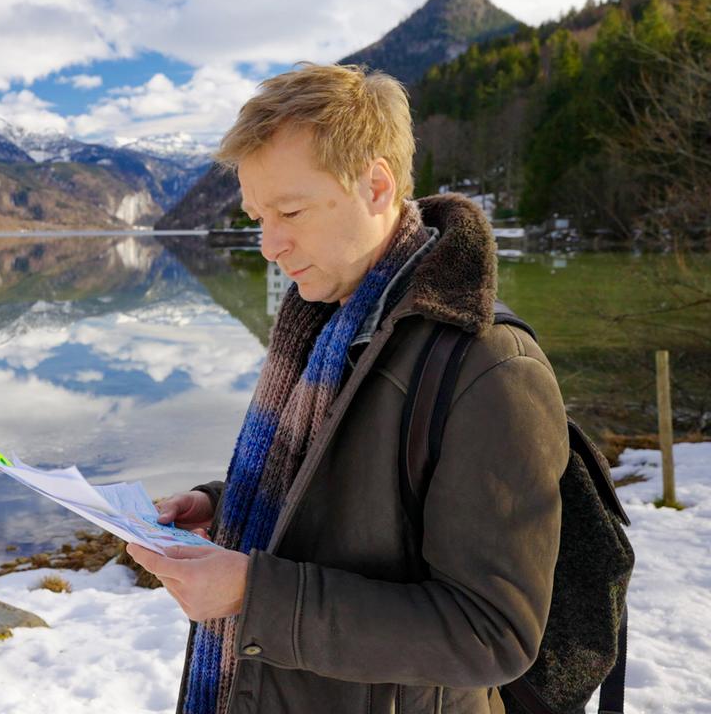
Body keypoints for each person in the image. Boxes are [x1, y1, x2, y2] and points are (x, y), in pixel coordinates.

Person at [126, 63, 567, 713]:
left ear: (377, 186)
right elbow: (340, 498)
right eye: (257, 217)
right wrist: (221, 506)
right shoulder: (324, 327)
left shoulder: (491, 368)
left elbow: (492, 634)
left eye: (291, 211)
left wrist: (255, 595)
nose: (269, 245)